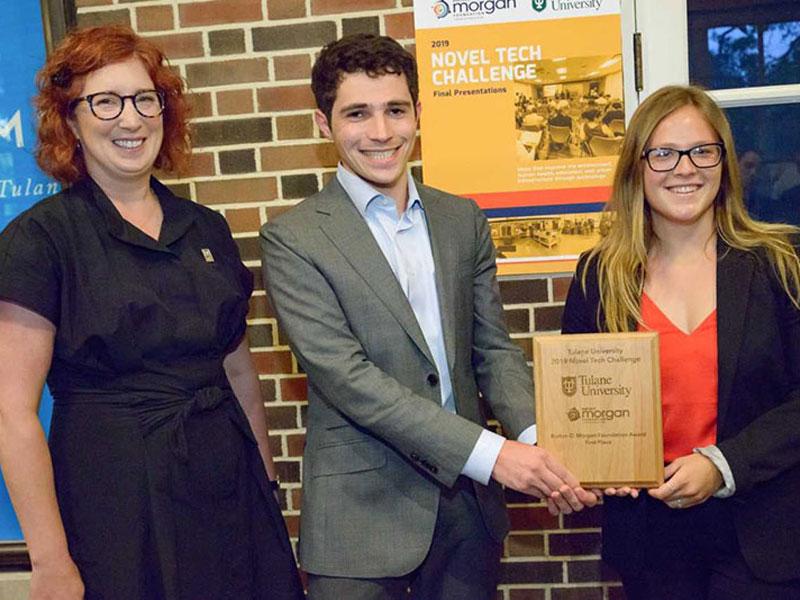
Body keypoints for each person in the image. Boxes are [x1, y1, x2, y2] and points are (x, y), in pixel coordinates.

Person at [260, 34, 597, 600]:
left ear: (419, 113)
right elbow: (349, 379)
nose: (381, 132)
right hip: (359, 523)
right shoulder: (293, 239)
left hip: (467, 515)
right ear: (324, 124)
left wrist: (540, 446)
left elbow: (491, 351)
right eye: (357, 114)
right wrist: (496, 456)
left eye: (395, 110)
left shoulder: (461, 219)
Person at [0, 25, 303, 600]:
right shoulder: (40, 241)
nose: (131, 119)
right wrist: (50, 561)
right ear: (69, 121)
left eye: (145, 98)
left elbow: (237, 370)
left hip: (226, 484)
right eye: (105, 101)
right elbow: (11, 412)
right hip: (114, 498)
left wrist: (265, 485)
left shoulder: (206, 227)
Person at [561, 85, 800, 599]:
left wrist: (722, 465)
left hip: (764, 530)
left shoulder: (781, 264)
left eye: (702, 151)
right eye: (664, 153)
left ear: (724, 163)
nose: (684, 168)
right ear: (637, 167)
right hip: (649, 537)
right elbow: (578, 402)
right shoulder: (599, 276)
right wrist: (601, 467)